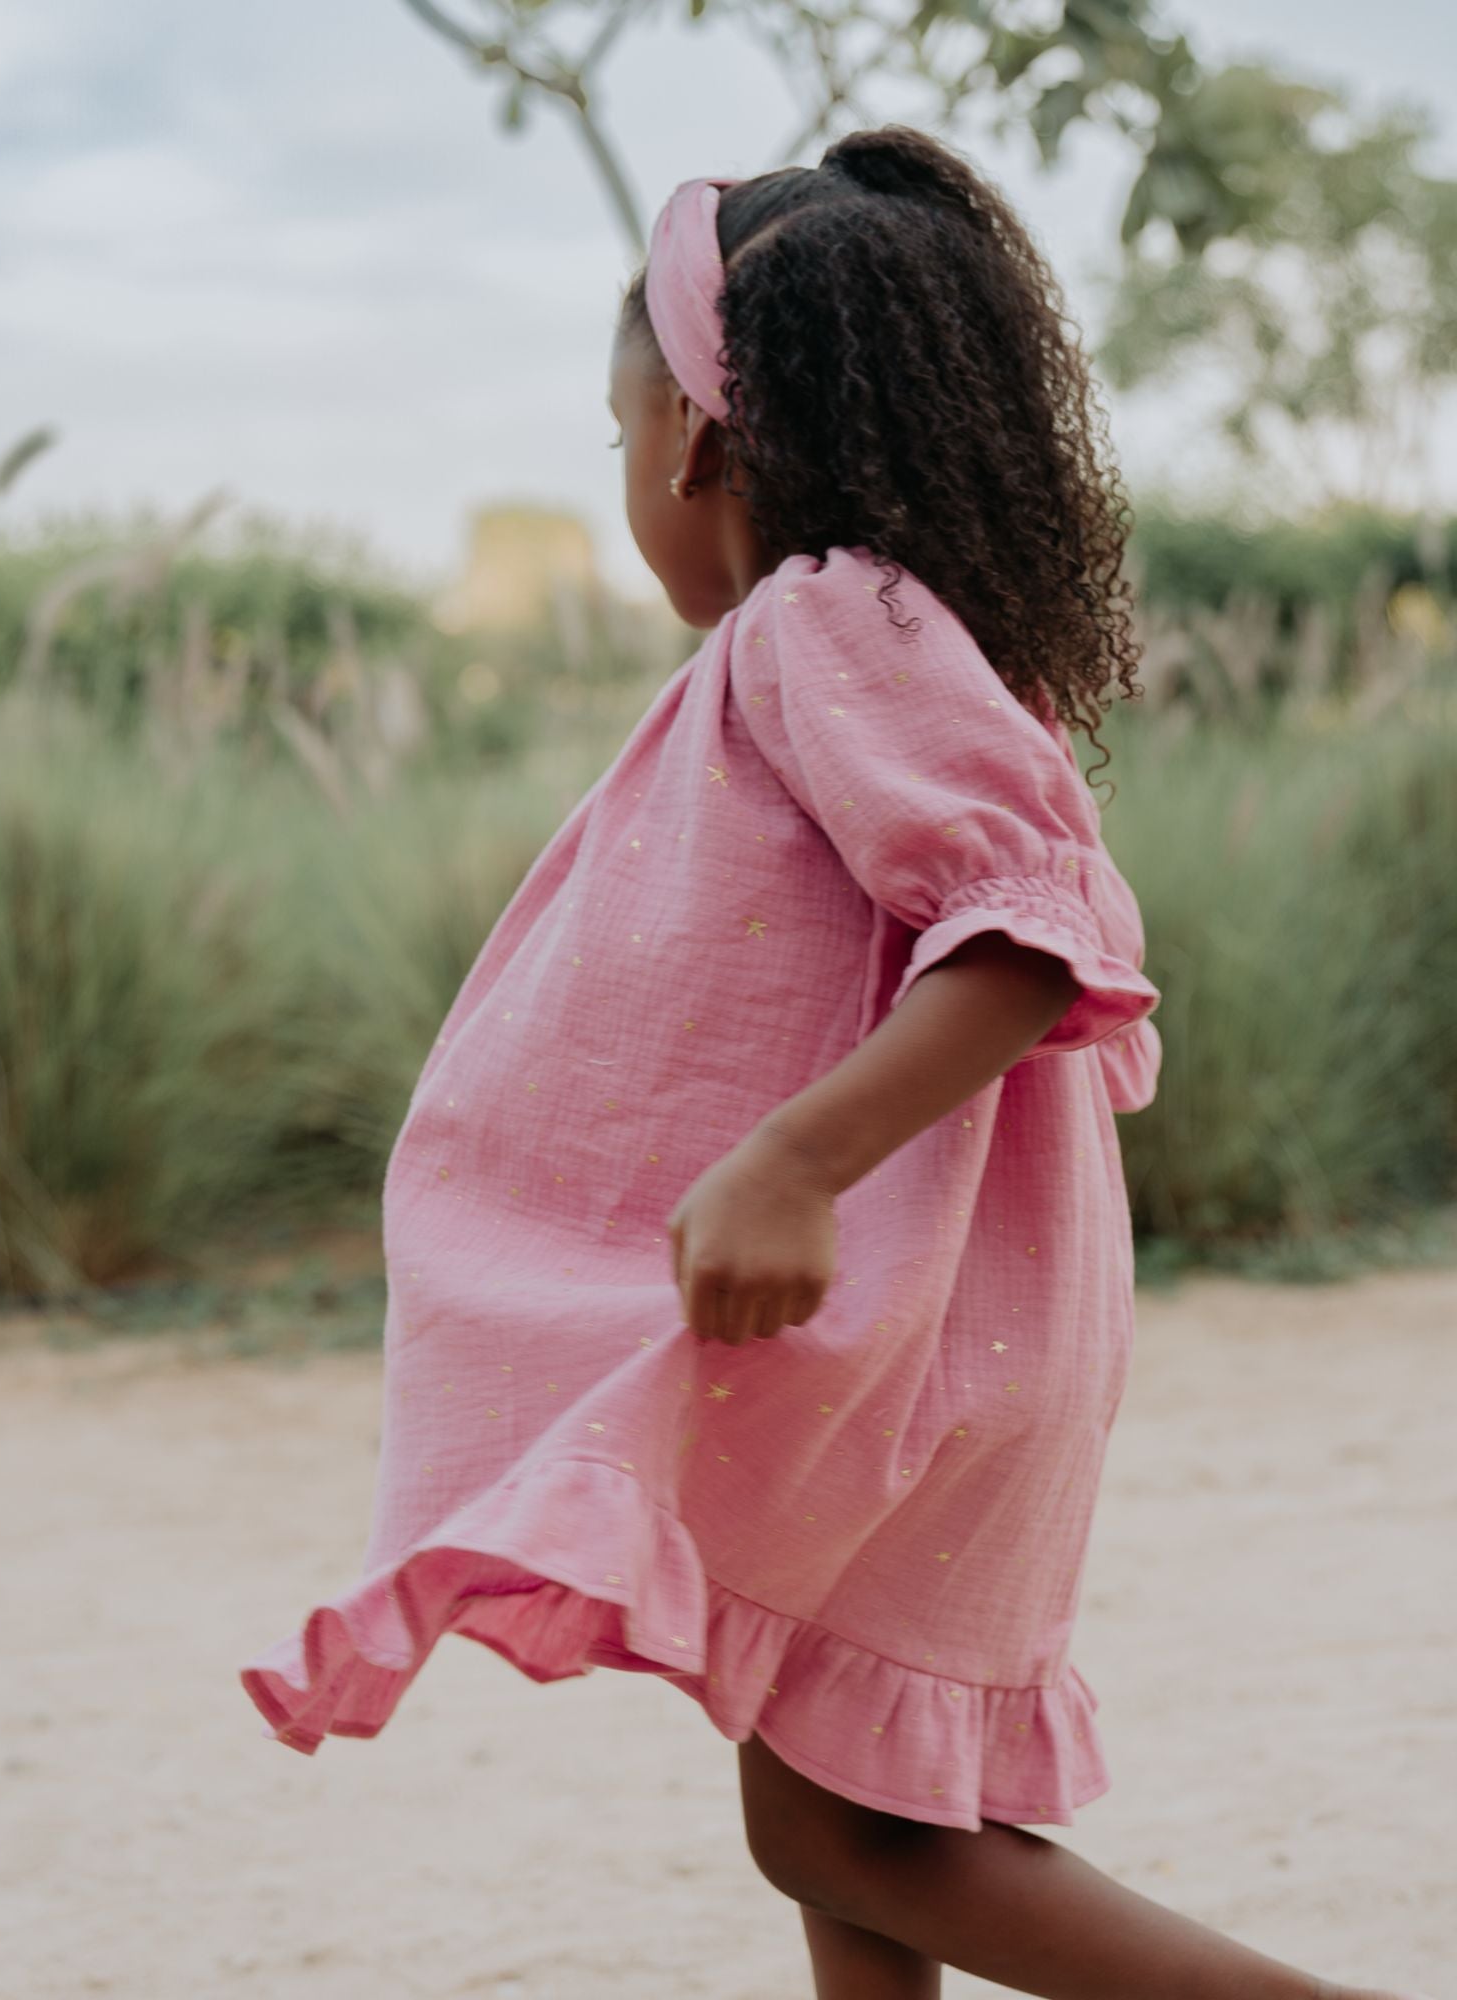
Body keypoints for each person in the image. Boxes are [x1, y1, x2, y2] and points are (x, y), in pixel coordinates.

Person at [239, 127, 1432, 2000]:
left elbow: (1035, 931)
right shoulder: (883, 632)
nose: (625, 471)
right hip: (905, 1318)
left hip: (916, 1319)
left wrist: (794, 1162)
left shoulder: (827, 623)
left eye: (615, 430)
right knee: (841, 1792)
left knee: (839, 1823)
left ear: (696, 440)